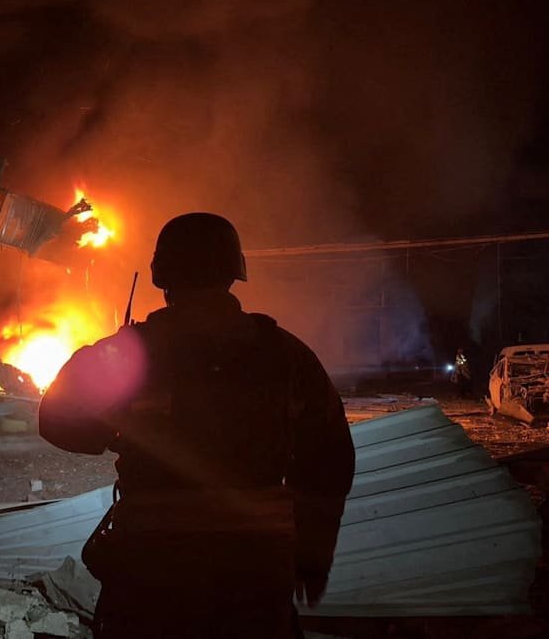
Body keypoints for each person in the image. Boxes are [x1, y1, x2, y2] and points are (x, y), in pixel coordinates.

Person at [39, 213, 356, 638]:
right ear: (232, 273)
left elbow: (55, 420)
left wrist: (110, 432)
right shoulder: (287, 353)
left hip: (153, 562)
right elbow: (330, 460)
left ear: (162, 276)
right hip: (256, 565)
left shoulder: (125, 352)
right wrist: (314, 554)